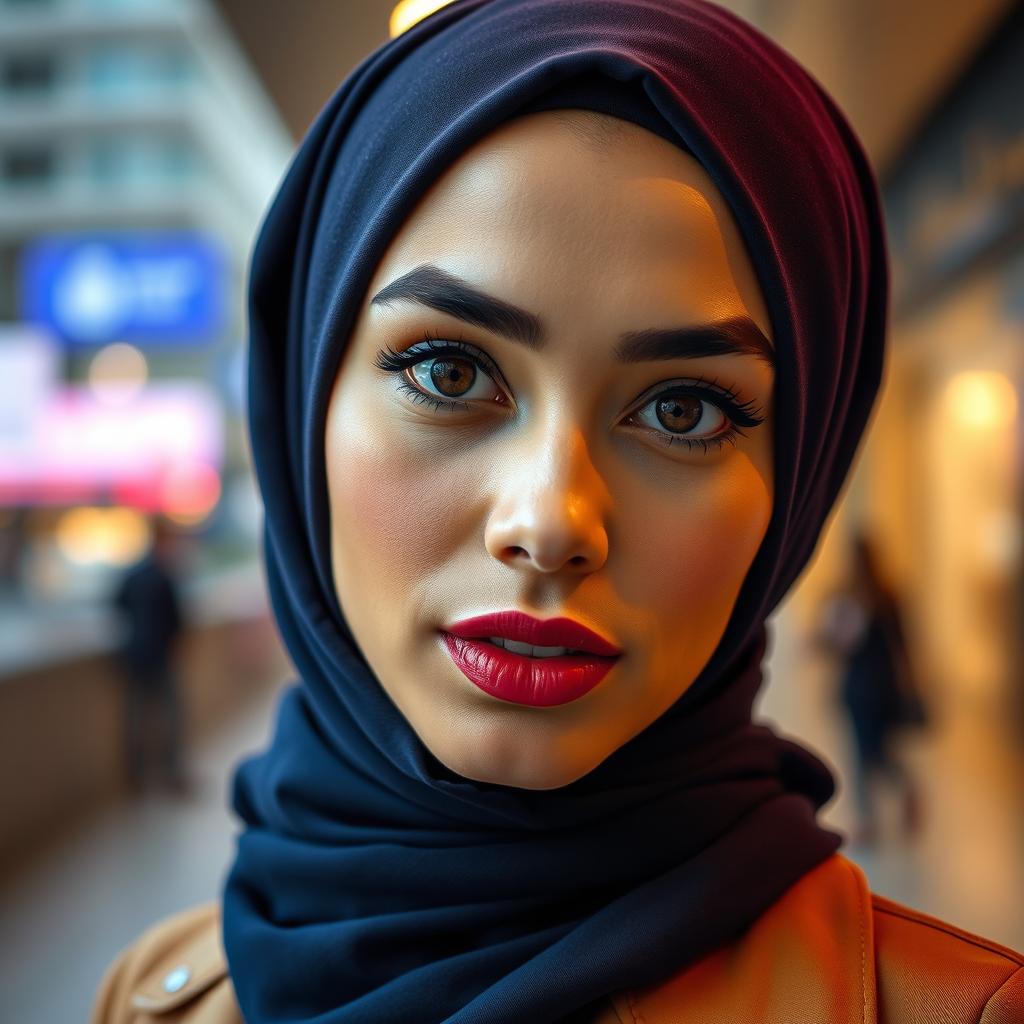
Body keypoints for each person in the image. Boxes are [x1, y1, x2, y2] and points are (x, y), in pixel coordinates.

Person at [91, 1, 1024, 1021]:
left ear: (797, 481)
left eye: (682, 409)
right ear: (304, 407)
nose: (550, 520)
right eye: (449, 372)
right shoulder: (152, 998)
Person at [819, 531, 927, 846]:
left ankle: (868, 821)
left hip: (858, 686)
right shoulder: (888, 595)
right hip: (884, 685)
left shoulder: (848, 596)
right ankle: (903, 788)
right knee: (877, 749)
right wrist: (909, 682)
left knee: (861, 752)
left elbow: (835, 644)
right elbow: (902, 646)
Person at [110, 515, 189, 796]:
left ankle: (136, 778)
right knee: (169, 716)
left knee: (136, 717)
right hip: (159, 655)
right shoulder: (164, 576)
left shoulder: (133, 574)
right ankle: (170, 774)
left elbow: (116, 605)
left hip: (135, 653)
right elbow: (177, 620)